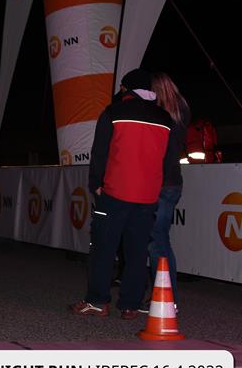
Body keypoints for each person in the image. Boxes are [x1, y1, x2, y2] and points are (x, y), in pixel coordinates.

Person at [69, 68, 173, 320]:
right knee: (137, 251)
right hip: (147, 196)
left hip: (115, 192)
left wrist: (96, 183)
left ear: (126, 89)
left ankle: (97, 301)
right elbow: (168, 160)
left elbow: (100, 152)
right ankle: (130, 305)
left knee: (104, 248)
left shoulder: (113, 112)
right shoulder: (165, 118)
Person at [142, 72, 191, 313]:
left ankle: (167, 298)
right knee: (158, 240)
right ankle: (164, 296)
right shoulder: (181, 110)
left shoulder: (160, 115)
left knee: (157, 242)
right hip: (173, 183)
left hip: (160, 184)